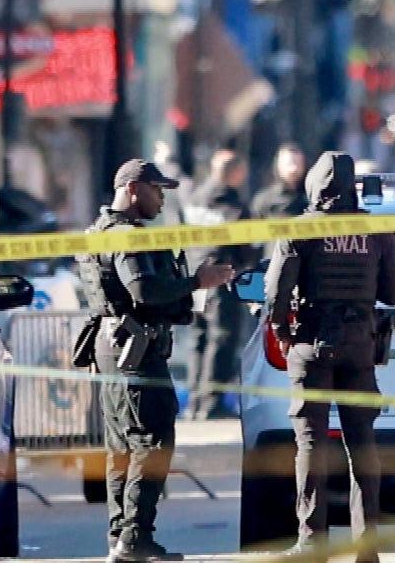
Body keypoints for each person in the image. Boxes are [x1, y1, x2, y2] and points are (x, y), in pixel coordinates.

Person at [79, 158, 236, 562]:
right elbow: (145, 291)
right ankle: (134, 537)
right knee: (152, 441)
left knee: (121, 446)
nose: (162, 199)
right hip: (135, 352)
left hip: (114, 347)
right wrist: (197, 282)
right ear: (133, 189)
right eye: (156, 190)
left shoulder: (100, 232)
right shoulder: (127, 237)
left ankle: (121, 537)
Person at [265, 151, 395, 559]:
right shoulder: (377, 229)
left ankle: (312, 542)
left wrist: (282, 332)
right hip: (360, 345)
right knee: (362, 445)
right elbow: (393, 293)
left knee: (311, 444)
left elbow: (276, 293)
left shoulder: (301, 229)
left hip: (312, 343)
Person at [181, 148, 254, 420]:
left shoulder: (196, 198)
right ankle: (211, 402)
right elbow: (245, 247)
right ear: (234, 172)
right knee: (220, 340)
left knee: (197, 340)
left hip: (194, 277)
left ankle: (194, 402)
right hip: (221, 280)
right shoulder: (233, 206)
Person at [249, 144, 309, 220]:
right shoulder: (264, 200)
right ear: (278, 166)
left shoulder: (313, 197)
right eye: (289, 164)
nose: (294, 169)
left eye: (298, 164)